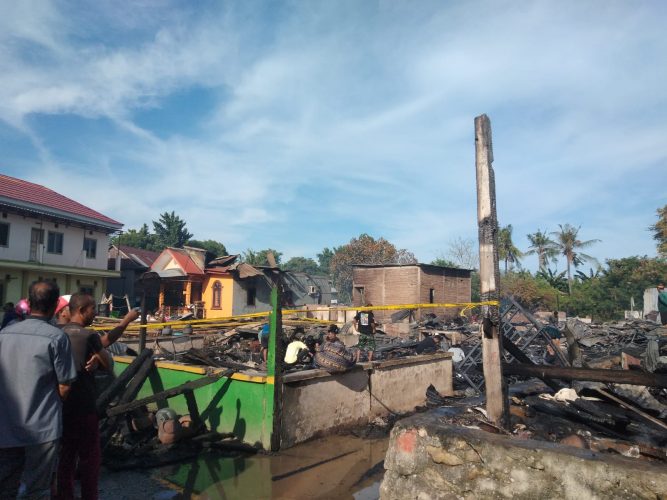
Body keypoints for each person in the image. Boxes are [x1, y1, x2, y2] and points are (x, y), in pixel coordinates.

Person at [0, 281, 77, 499]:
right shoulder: (57, 338)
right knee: (38, 487)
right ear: (55, 305)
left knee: (6, 484)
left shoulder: (5, 334)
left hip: (6, 423)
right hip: (42, 427)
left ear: (29, 302)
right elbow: (65, 385)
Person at [56, 293, 113, 500]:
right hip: (84, 406)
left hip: (60, 407)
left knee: (65, 458)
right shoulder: (88, 336)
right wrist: (98, 358)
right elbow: (108, 364)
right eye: (92, 309)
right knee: (90, 459)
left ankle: (65, 495)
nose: (95, 313)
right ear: (81, 311)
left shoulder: (56, 333)